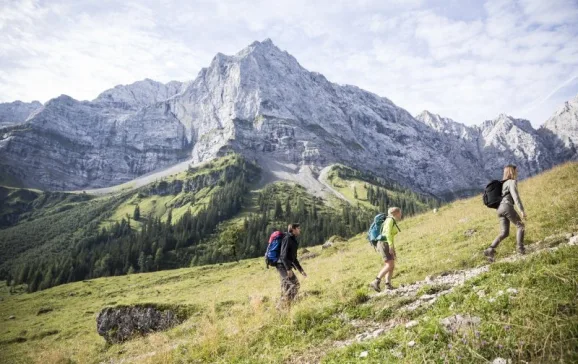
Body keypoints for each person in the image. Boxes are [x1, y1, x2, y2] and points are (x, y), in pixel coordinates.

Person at [484, 165, 527, 261]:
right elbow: (515, 196)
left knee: (504, 232)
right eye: (516, 171)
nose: (517, 173)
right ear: (512, 171)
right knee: (520, 226)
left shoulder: (502, 184)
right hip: (507, 206)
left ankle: (490, 249)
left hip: (499, 209)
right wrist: (521, 210)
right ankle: (520, 249)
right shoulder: (511, 182)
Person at [370, 207, 402, 292]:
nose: (401, 214)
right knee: (389, 264)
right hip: (384, 243)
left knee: (392, 264)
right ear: (396, 213)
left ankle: (388, 285)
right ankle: (376, 281)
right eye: (400, 213)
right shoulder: (390, 220)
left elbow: (390, 235)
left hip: (386, 243)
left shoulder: (390, 220)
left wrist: (392, 247)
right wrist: (391, 246)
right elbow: (387, 234)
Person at [277, 223, 307, 305]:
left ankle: (287, 304)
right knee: (291, 286)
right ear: (293, 229)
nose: (300, 230)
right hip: (282, 266)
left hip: (286, 266)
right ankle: (282, 306)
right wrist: (288, 269)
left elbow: (294, 258)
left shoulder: (293, 240)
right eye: (298, 228)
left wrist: (301, 270)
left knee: (295, 284)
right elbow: (283, 256)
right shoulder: (287, 239)